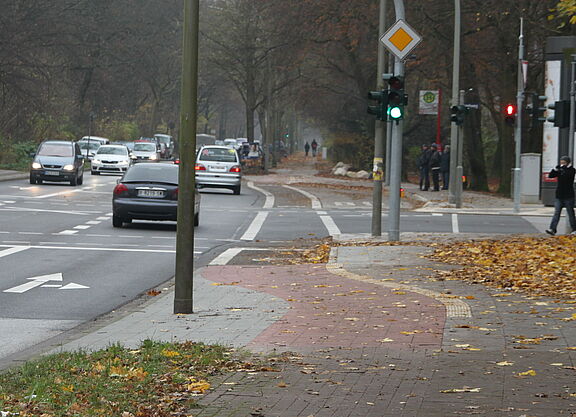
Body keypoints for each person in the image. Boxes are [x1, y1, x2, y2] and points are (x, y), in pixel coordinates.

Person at [545, 156, 576, 236]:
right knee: (557, 213)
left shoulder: (572, 170)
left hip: (569, 196)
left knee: (570, 213)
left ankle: (574, 229)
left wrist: (563, 169)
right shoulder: (560, 170)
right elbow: (551, 175)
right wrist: (555, 169)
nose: (562, 164)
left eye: (564, 162)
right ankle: (552, 229)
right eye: (561, 162)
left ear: (568, 162)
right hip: (559, 195)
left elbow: (568, 177)